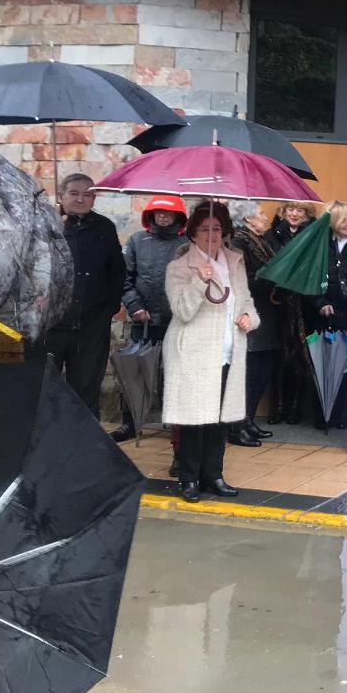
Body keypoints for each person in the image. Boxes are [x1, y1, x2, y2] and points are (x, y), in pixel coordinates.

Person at [163, 202, 259, 503]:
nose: (212, 234)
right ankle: (189, 478)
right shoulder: (179, 267)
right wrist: (198, 281)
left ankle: (213, 475)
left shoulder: (235, 261)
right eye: (205, 229)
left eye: (217, 228)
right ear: (192, 232)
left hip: (228, 351)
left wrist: (249, 319)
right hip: (193, 352)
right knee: (195, 419)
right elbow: (182, 311)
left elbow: (245, 301)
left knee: (220, 419)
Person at [33, 174, 125, 418]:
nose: (81, 199)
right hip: (51, 324)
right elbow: (29, 265)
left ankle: (86, 451)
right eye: (74, 193)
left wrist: (109, 309)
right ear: (61, 196)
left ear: (94, 199)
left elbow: (117, 271)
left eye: (88, 194)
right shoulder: (45, 225)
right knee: (42, 390)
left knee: (85, 393)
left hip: (91, 326)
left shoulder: (105, 227)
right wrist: (53, 232)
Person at [111, 195, 188, 443]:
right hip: (143, 320)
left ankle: (178, 429)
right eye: (158, 213)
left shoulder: (187, 243)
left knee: (176, 376)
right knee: (135, 373)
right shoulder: (137, 241)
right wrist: (134, 306)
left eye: (168, 213)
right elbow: (125, 277)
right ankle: (130, 423)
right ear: (151, 215)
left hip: (177, 321)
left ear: (178, 216)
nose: (163, 217)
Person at [313, 200, 347, 429]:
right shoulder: (321, 242)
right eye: (342, 219)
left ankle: (346, 416)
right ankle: (326, 415)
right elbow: (312, 278)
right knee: (326, 364)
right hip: (329, 312)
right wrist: (320, 302)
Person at [264, 201, 318, 426]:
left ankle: (295, 406)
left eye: (300, 210)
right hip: (278, 303)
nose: (295, 214)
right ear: (283, 212)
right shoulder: (271, 234)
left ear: (307, 214)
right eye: (291, 210)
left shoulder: (315, 236)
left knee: (302, 358)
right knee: (279, 358)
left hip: (305, 305)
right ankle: (277, 407)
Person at [231, 206, 281, 446]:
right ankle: (236, 425)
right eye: (261, 214)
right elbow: (240, 278)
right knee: (249, 373)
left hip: (266, 313)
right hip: (250, 312)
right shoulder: (239, 242)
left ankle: (248, 419)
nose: (265, 217)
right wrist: (269, 277)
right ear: (248, 218)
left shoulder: (260, 241)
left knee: (262, 370)